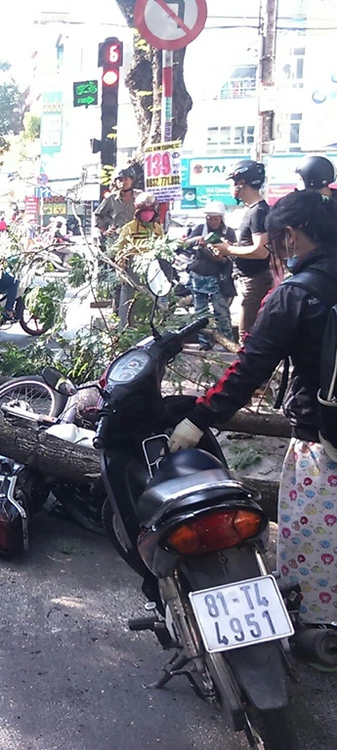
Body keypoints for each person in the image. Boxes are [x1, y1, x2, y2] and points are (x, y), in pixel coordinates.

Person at [168, 191, 337, 661]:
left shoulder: (296, 293)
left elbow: (247, 370)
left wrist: (198, 420)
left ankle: (317, 629)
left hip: (324, 440)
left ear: (289, 236)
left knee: (314, 543)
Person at [213, 160, 271, 340]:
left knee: (246, 337)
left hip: (255, 282)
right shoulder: (253, 210)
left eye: (233, 182)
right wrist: (230, 248)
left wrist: (229, 249)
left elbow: (261, 251)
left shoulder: (258, 211)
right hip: (248, 280)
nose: (232, 187)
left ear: (242, 183)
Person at [181, 201, 237, 345]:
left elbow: (233, 256)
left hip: (218, 278)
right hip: (198, 276)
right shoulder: (200, 229)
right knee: (200, 313)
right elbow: (185, 244)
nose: (213, 221)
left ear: (221, 218)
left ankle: (228, 342)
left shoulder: (228, 232)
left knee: (221, 312)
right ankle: (204, 342)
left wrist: (221, 258)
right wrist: (198, 241)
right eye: (210, 218)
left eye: (216, 218)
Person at [112, 192, 163, 325]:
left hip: (152, 271)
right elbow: (118, 248)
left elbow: (163, 247)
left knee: (149, 304)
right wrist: (121, 268)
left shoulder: (157, 229)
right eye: (144, 211)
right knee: (128, 304)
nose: (147, 214)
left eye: (150, 211)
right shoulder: (129, 228)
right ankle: (125, 333)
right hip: (131, 270)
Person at [94, 166, 140, 240]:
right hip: (116, 239)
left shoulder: (140, 196)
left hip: (137, 238)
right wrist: (104, 231)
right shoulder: (111, 198)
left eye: (126, 179)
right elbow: (97, 215)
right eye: (120, 180)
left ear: (132, 180)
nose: (123, 182)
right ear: (115, 182)